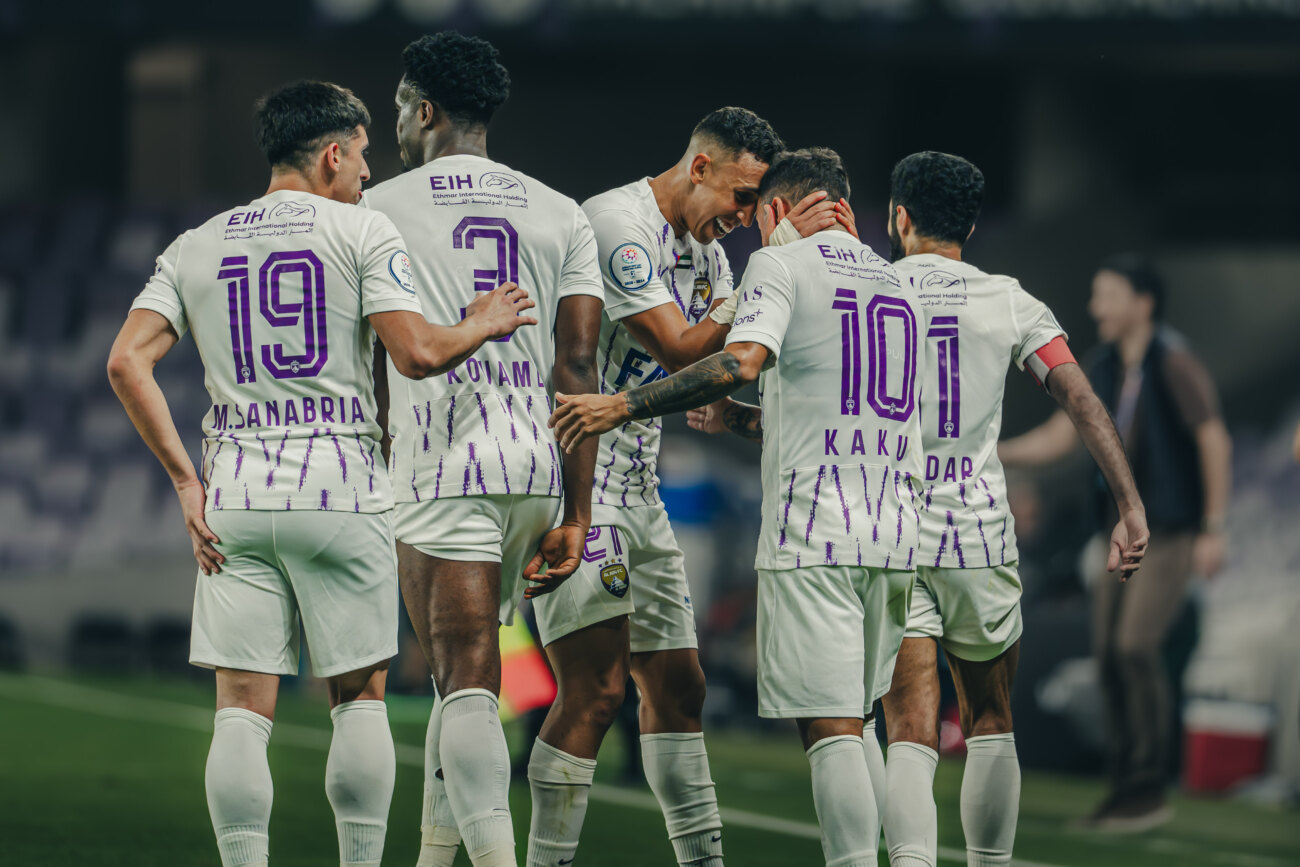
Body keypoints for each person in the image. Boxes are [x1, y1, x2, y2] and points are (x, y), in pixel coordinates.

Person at [106, 80, 535, 867]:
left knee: (240, 712)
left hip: (234, 493)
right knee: (359, 701)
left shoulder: (198, 242)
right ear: (333, 153)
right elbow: (417, 353)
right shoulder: (362, 231)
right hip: (340, 484)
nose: (368, 171)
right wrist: (480, 321)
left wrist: (183, 481)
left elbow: (126, 360)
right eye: (364, 154)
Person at [550, 147, 919, 867]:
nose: (746, 221)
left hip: (817, 529)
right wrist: (740, 416)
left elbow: (729, 358)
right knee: (863, 721)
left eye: (758, 207)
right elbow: (813, 404)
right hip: (894, 530)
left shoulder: (776, 267)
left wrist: (619, 405)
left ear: (780, 211)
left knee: (832, 726)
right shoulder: (896, 282)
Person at [360, 32, 605, 867]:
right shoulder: (560, 210)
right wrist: (578, 509)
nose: (395, 121)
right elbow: (578, 365)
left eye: (399, 104)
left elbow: (370, 354)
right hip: (535, 464)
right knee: (464, 683)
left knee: (466, 678)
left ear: (424, 111)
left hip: (441, 460)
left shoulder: (377, 207)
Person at [879, 151, 1149, 867]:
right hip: (977, 536)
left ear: (898, 216)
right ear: (970, 222)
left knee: (908, 721)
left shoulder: (866, 292)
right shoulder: (1008, 299)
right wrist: (1128, 504)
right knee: (990, 719)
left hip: (890, 535)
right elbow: (1082, 399)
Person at [1000, 253, 1231, 829]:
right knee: (1107, 656)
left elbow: (1214, 440)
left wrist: (1214, 528)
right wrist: (990, 451)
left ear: (1142, 303)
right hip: (1118, 532)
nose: (1095, 307)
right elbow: (1062, 434)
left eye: (1107, 295)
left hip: (1171, 531)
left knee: (1134, 648)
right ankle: (1126, 783)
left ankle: (1149, 783)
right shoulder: (1104, 366)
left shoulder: (1173, 363)